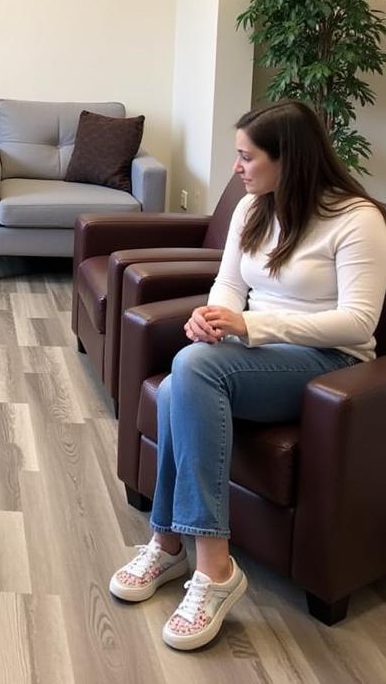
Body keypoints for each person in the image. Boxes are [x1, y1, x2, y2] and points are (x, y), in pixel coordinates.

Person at [109, 99, 386, 651]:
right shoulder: (253, 207)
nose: (237, 169)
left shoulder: (357, 219)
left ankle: (205, 561)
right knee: (185, 375)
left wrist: (251, 326)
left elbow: (359, 321)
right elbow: (230, 285)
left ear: (292, 159)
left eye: (246, 157)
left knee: (189, 374)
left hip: (326, 360)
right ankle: (171, 545)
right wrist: (211, 316)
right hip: (252, 349)